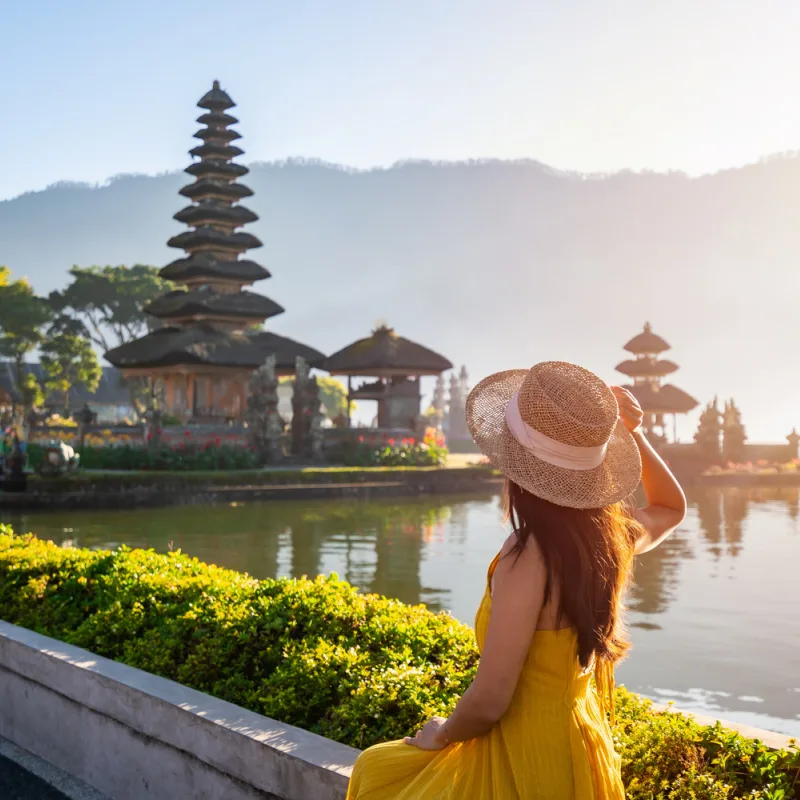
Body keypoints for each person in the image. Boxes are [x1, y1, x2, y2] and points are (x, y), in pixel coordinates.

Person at [346, 361, 686, 800]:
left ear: (518, 467)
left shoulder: (526, 559)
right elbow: (670, 508)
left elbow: (490, 701)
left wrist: (441, 733)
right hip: (582, 745)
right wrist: (630, 433)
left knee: (375, 769)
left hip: (524, 758)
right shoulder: (608, 541)